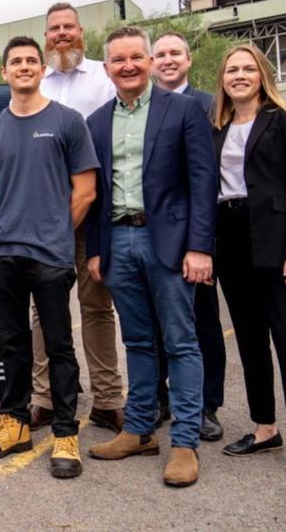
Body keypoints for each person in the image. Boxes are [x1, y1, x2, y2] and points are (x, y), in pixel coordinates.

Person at [85, 26, 216, 488]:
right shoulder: (97, 122)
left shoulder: (183, 110)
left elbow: (203, 181)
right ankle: (139, 430)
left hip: (171, 243)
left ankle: (184, 443)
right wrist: (97, 251)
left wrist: (200, 246)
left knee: (181, 342)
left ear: (149, 61)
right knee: (137, 342)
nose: (128, 66)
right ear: (107, 69)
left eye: (136, 57)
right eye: (118, 60)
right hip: (118, 242)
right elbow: (96, 193)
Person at [0, 35, 98, 479]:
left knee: (59, 346)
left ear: (42, 70)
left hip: (51, 254)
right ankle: (15, 423)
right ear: (4, 73)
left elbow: (85, 191)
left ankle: (65, 431)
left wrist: (52, 228)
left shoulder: (68, 122)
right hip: (2, 251)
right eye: (15, 61)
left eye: (31, 60)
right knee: (12, 344)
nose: (24, 66)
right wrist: (20, 222)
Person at [211, 44, 286, 482]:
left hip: (275, 238)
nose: (240, 75)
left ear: (262, 74)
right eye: (233, 69)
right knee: (250, 340)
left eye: (249, 68)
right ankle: (265, 427)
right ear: (223, 80)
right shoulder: (218, 126)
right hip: (231, 239)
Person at [30, 2, 124, 434]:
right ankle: (44, 398)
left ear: (81, 32)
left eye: (69, 27)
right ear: (45, 35)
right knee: (41, 312)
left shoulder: (104, 79)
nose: (61, 34)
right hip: (44, 217)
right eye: (54, 29)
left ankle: (107, 399)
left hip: (92, 212)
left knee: (96, 307)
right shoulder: (34, 80)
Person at [151, 31, 226, 441]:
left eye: (174, 53)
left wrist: (204, 243)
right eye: (159, 54)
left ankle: (206, 406)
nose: (167, 60)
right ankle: (163, 399)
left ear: (189, 59)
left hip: (196, 232)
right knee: (160, 323)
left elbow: (208, 176)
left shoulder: (210, 107)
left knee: (203, 323)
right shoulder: (142, 108)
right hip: (157, 235)